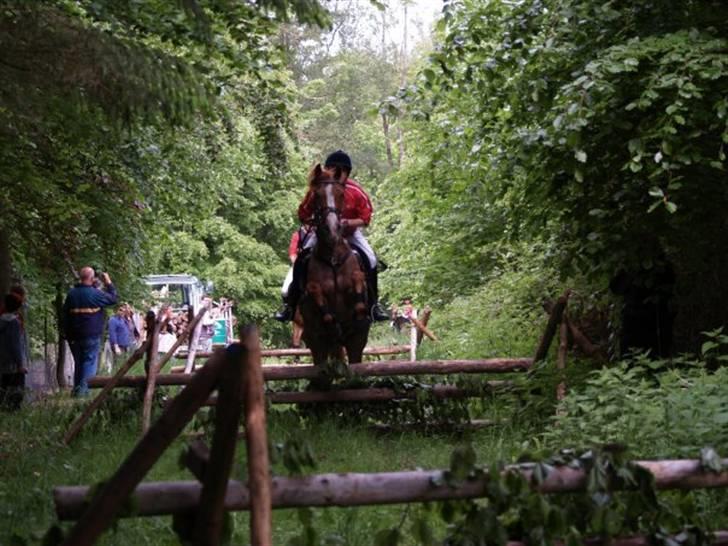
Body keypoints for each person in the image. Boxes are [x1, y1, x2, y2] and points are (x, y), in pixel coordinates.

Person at [274, 150, 389, 322]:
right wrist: (316, 221)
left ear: (346, 172)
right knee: (301, 259)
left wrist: (348, 223)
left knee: (371, 259)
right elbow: (303, 213)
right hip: (322, 233)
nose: (336, 173)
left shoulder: (356, 191)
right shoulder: (318, 189)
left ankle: (374, 305)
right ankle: (290, 305)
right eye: (332, 169)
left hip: (350, 234)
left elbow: (365, 218)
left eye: (340, 170)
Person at [63, 266, 118, 396]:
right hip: (91, 336)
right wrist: (108, 282)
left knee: (79, 363)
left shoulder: (71, 294)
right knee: (89, 363)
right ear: (92, 279)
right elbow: (113, 299)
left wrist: (67, 333)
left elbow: (65, 315)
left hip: (74, 336)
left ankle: (76, 390)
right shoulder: (95, 294)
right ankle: (83, 392)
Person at [0, 293, 28, 410]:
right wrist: (20, 364)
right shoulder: (14, 323)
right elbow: (15, 344)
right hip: (13, 363)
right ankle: (14, 408)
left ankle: (3, 405)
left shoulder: (1, 320)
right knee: (17, 387)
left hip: (3, 359)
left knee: (4, 385)